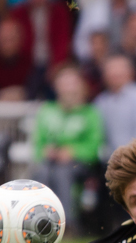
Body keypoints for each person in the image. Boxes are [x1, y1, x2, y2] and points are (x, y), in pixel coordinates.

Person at [33, 67, 106, 233]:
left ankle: (67, 224)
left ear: (81, 86)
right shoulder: (47, 111)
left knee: (62, 173)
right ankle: (40, 222)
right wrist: (46, 151)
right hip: (50, 163)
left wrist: (73, 152)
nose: (68, 88)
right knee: (41, 173)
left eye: (72, 83)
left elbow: (95, 147)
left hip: (82, 165)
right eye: (64, 83)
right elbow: (38, 146)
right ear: (56, 86)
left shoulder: (90, 113)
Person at [94, 54, 136, 158]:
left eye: (120, 68)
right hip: (110, 162)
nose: (115, 73)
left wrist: (132, 156)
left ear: (132, 72)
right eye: (111, 69)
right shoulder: (101, 101)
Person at [0, 18, 34, 101]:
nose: (7, 45)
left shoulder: (31, 64)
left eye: (11, 39)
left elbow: (33, 93)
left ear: (20, 40)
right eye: (3, 40)